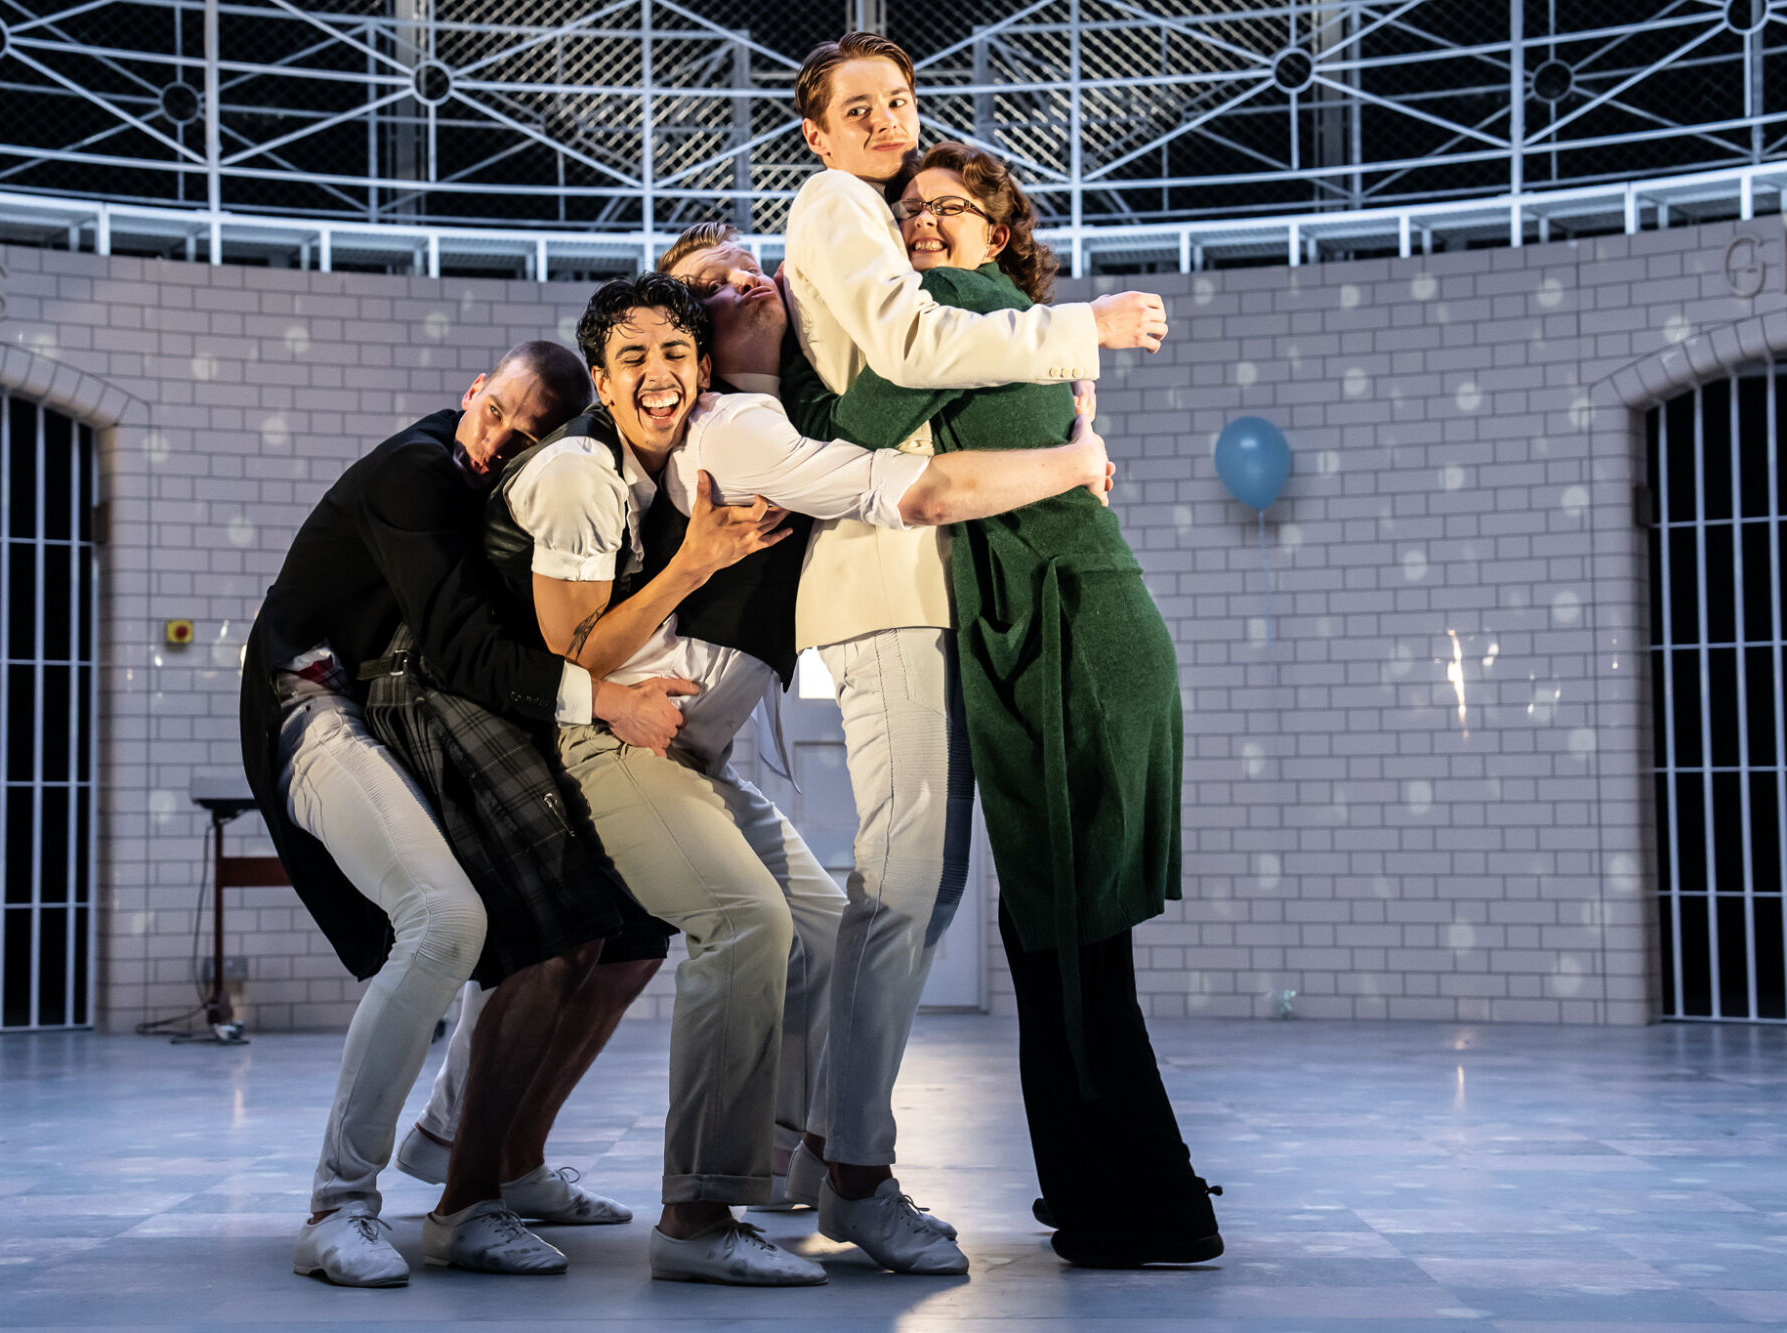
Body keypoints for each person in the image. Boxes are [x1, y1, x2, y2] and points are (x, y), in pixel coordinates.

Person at [479, 272, 1115, 1284]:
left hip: (693, 753)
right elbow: (910, 491)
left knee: (820, 934)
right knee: (748, 925)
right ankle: (694, 1208)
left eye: (750, 270)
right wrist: (1070, 458)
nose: (751, 281)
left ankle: (799, 1164)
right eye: (715, 286)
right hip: (626, 741)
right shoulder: (724, 433)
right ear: (608, 372)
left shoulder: (734, 422)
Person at [735, 28, 1171, 1276]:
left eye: (901, 101)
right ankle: (854, 1177)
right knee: (903, 889)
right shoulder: (833, 205)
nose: (887, 121)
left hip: (926, 590)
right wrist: (1079, 327)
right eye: (858, 106)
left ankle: (822, 1148)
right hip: (887, 591)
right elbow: (909, 353)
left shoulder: (861, 215)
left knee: (911, 898)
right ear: (814, 137)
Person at [237, 341, 704, 1285]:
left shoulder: (496, 482)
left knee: (600, 926)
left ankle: (484, 1155)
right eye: (496, 415)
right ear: (473, 390)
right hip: (314, 708)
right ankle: (338, 1204)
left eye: (526, 436)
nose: (497, 444)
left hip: (396, 713)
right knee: (446, 922)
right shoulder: (414, 474)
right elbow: (460, 649)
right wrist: (610, 698)